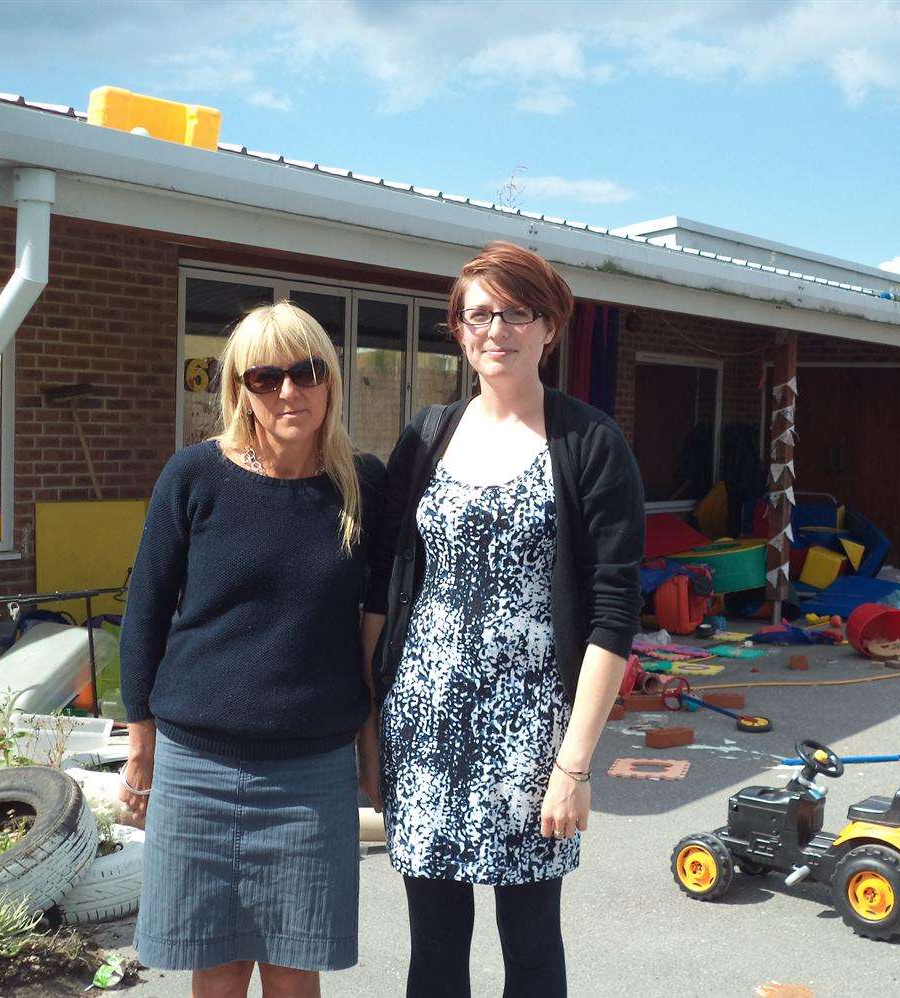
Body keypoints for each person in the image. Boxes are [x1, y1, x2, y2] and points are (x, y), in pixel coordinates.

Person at [366, 241, 645, 997]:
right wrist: (366, 723)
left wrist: (574, 767)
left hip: (530, 734)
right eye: (480, 314)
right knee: (433, 946)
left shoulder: (589, 443)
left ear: (548, 327)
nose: (498, 330)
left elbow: (614, 613)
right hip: (421, 724)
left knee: (528, 944)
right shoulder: (426, 435)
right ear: (458, 329)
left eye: (517, 313)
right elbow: (379, 586)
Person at [119, 302, 386, 998]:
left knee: (295, 966)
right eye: (265, 378)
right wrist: (140, 746)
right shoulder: (193, 476)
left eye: (306, 372)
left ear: (330, 379)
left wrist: (371, 748)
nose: (288, 392)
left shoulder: (362, 486)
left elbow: (375, 629)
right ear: (240, 389)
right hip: (196, 762)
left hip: (309, 770)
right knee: (218, 963)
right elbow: (145, 611)